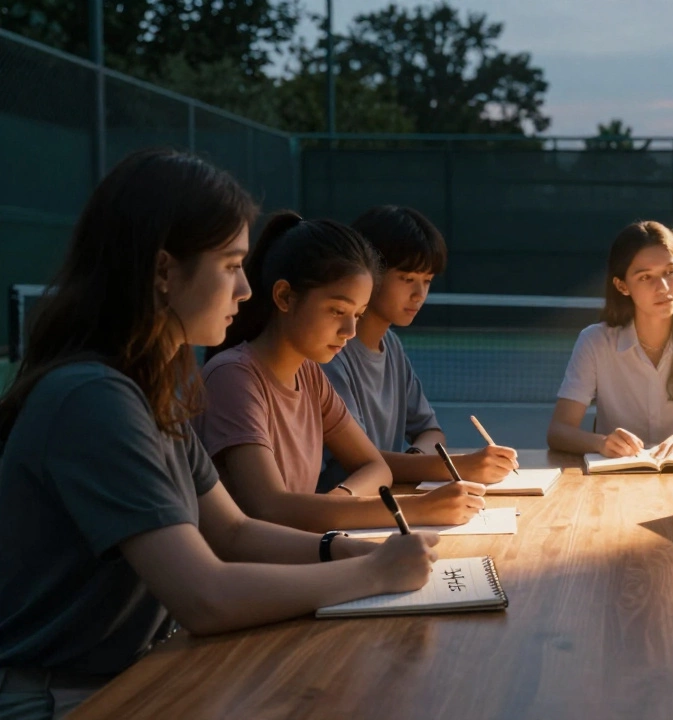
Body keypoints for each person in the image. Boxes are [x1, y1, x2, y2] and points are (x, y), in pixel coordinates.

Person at [0, 150, 436, 720]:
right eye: (231, 265)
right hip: (66, 697)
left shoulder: (152, 386)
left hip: (135, 672)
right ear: (163, 272)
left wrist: (343, 549)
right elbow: (205, 595)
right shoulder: (94, 399)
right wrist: (372, 572)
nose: (245, 291)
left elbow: (232, 532)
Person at [196, 212, 485, 533]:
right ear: (284, 297)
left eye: (358, 314)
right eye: (337, 311)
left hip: (303, 553)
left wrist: (340, 499)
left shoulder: (309, 374)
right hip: (258, 573)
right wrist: (418, 508)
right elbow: (270, 506)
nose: (349, 330)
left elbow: (375, 466)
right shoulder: (233, 377)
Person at [318, 206, 517, 493]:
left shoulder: (393, 348)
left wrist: (416, 459)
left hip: (388, 499)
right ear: (367, 272)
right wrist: (457, 466)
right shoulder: (331, 355)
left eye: (427, 281)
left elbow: (430, 431)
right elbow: (358, 461)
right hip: (342, 514)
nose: (419, 294)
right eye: (408, 278)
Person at [548, 221, 673, 458]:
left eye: (669, 272)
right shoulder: (595, 341)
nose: (663, 287)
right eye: (645, 277)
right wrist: (601, 443)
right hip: (614, 481)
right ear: (622, 286)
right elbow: (559, 432)